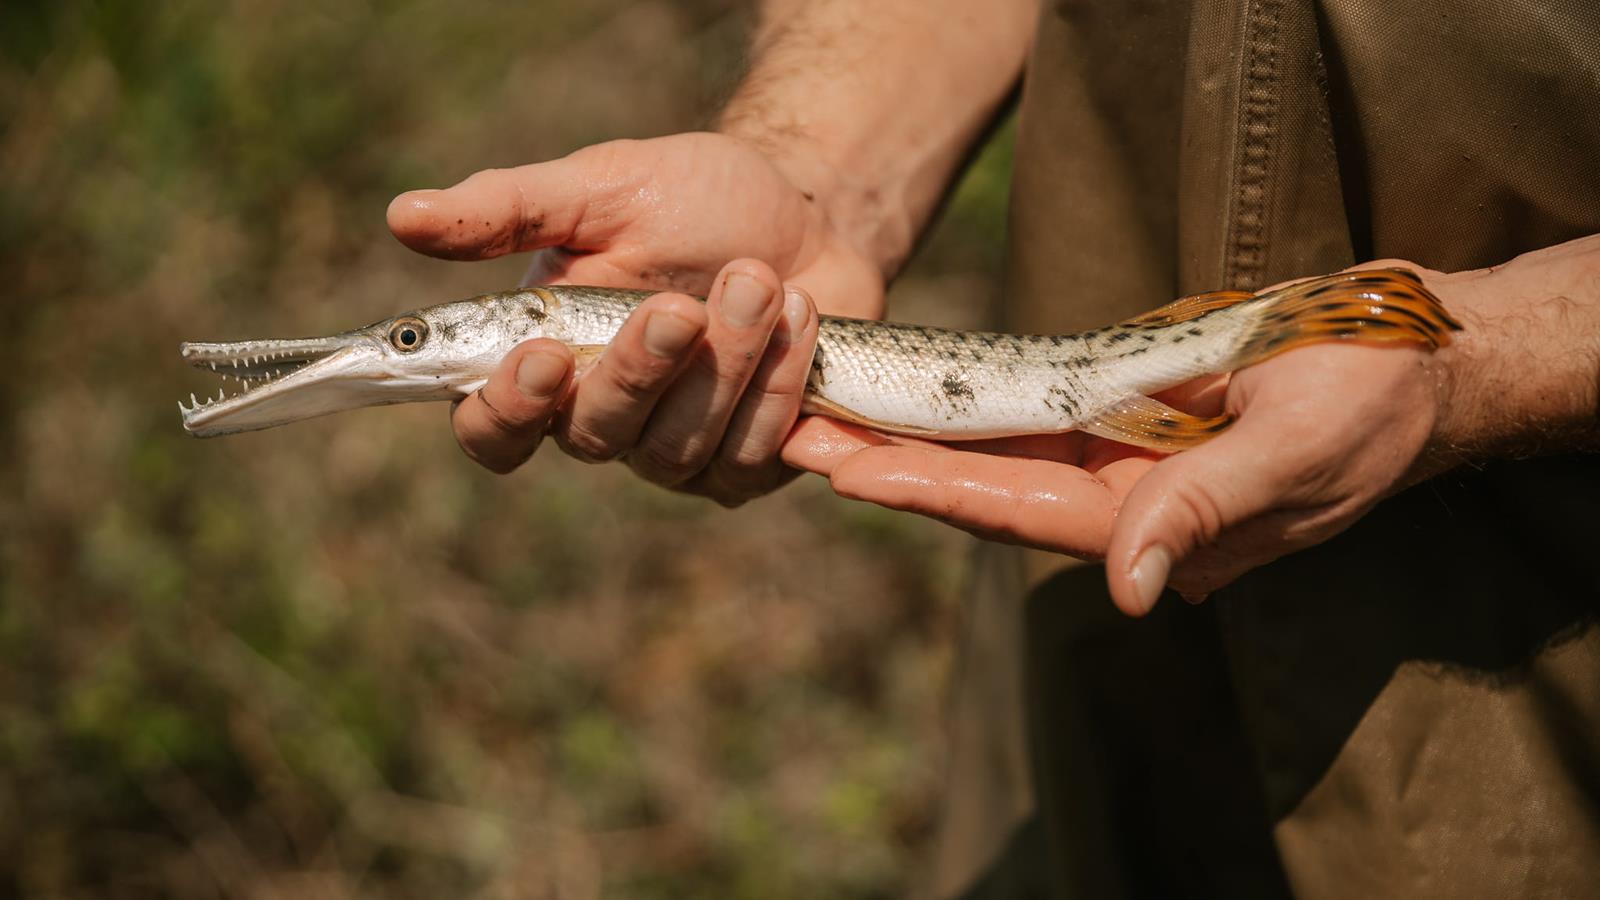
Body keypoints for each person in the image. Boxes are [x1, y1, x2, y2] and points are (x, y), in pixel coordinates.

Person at [387, 1, 1600, 896]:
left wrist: (1486, 361)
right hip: (1078, 608)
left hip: (1529, 655)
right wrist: (814, 170)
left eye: (411, 337)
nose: (408, 347)